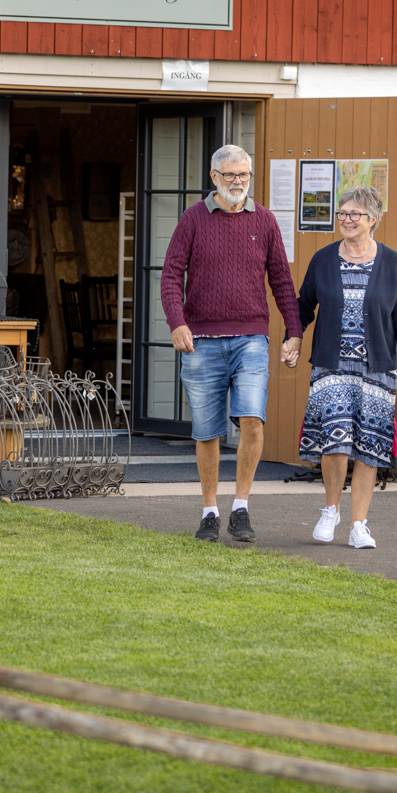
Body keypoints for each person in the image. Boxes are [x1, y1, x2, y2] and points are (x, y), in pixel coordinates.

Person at [160, 144, 303, 544]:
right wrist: (177, 323)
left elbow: (281, 282)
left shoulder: (266, 221)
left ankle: (241, 506)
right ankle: (209, 511)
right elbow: (170, 276)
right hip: (201, 340)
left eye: (243, 175)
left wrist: (294, 330)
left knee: (253, 418)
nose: (238, 182)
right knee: (207, 431)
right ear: (214, 178)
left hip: (251, 339)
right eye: (230, 175)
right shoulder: (192, 220)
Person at [296, 184, 397, 549]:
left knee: (369, 447)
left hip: (376, 368)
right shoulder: (323, 259)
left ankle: (358, 524)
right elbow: (304, 305)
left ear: (373, 220)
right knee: (334, 442)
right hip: (331, 365)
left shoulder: (392, 263)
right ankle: (331, 510)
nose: (346, 220)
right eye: (342, 213)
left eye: (355, 214)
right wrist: (294, 337)